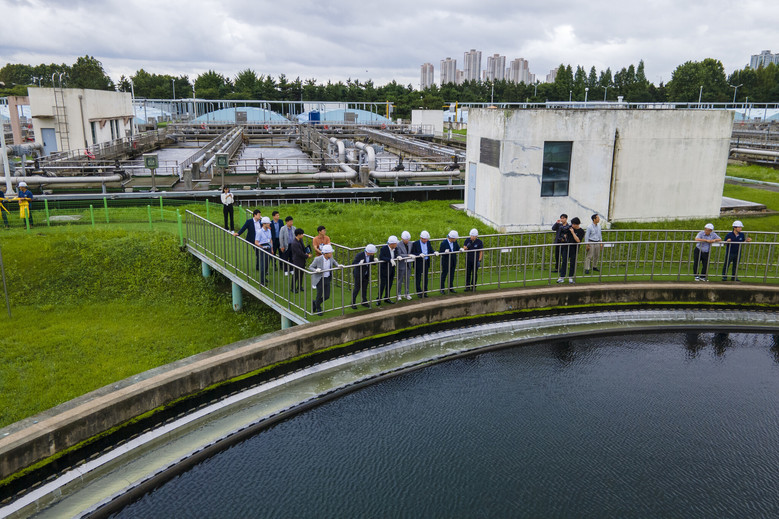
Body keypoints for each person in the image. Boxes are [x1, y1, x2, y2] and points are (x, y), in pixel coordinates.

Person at [309, 244, 340, 315]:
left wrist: (338, 265)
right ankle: (318, 308)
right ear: (325, 254)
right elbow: (310, 267)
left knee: (327, 296)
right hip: (320, 279)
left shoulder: (331, 258)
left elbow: (334, 262)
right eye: (330, 253)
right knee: (319, 294)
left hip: (327, 278)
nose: (331, 254)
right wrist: (316, 270)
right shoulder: (318, 259)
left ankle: (315, 303)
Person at [557, 217, 585, 284]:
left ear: (577, 224)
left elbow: (578, 240)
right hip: (566, 247)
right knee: (564, 262)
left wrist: (573, 233)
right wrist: (564, 236)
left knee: (573, 263)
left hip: (574, 249)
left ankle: (570, 277)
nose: (572, 225)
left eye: (574, 224)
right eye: (572, 224)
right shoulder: (569, 228)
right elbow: (563, 232)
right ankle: (562, 277)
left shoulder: (581, 231)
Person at [352, 244, 377, 308]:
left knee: (364, 288)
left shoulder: (371, 255)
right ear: (369, 252)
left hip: (366, 274)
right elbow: (353, 263)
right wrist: (359, 263)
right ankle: (353, 303)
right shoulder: (360, 255)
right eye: (373, 252)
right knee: (357, 288)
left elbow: (372, 262)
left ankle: (364, 301)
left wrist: (375, 261)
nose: (373, 253)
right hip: (358, 274)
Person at [411, 230, 432, 298]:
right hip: (418, 262)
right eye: (424, 239)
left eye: (426, 239)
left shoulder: (428, 242)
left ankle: (425, 291)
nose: (426, 241)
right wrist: (419, 254)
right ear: (421, 238)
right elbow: (413, 252)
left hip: (426, 261)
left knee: (425, 277)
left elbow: (430, 250)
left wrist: (434, 252)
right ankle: (419, 292)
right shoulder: (416, 243)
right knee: (418, 278)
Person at [288, 227, 310, 293]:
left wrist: (306, 251)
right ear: (298, 235)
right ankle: (293, 288)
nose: (303, 235)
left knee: (301, 274)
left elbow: (302, 249)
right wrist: (307, 256)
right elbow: (299, 253)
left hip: (302, 260)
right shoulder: (294, 243)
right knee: (296, 275)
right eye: (302, 234)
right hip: (297, 261)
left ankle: (299, 286)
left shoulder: (300, 240)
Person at [378, 236, 399, 305]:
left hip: (392, 269)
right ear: (392, 244)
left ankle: (387, 298)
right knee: (383, 284)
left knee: (389, 284)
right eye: (395, 243)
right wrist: (389, 260)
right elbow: (381, 257)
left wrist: (398, 257)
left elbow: (396, 255)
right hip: (384, 269)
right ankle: (379, 299)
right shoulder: (384, 249)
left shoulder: (395, 249)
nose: (396, 245)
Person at [396, 231, 413, 301]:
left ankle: (407, 293)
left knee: (407, 279)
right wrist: (408, 255)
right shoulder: (398, 245)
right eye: (406, 240)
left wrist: (411, 255)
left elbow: (412, 252)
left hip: (408, 264)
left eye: (408, 239)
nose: (407, 241)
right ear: (402, 238)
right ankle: (398, 294)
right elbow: (399, 254)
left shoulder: (411, 243)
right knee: (400, 280)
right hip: (401, 264)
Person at [257, 216, 273, 285]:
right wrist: (262, 247)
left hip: (268, 248)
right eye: (268, 223)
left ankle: (264, 278)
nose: (269, 224)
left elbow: (270, 240)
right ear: (264, 224)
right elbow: (256, 242)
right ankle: (262, 281)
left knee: (267, 265)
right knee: (263, 265)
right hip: (263, 249)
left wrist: (271, 249)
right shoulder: (259, 232)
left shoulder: (269, 231)